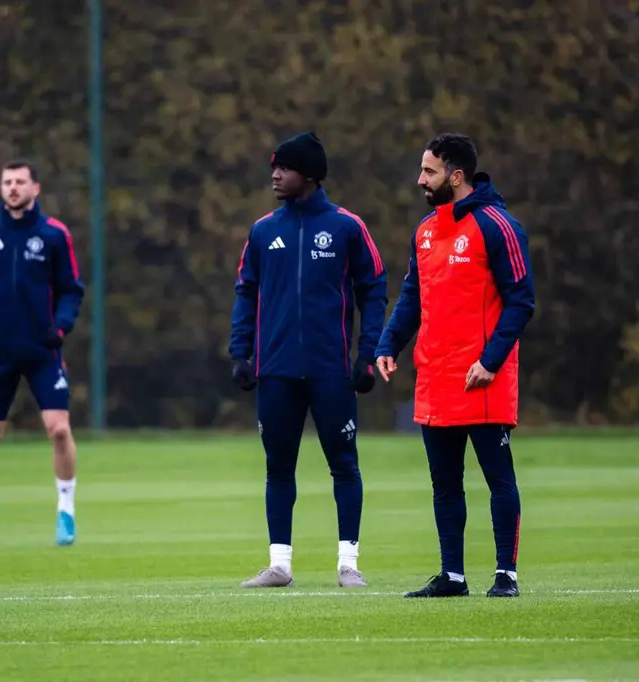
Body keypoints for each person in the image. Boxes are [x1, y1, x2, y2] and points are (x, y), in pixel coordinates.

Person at [374, 133, 535, 598]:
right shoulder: (425, 231)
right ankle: (453, 576)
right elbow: (412, 297)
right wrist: (390, 344)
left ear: (456, 176)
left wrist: (491, 360)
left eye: (429, 171)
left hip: (482, 377)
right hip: (437, 378)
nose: (420, 179)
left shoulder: (497, 225)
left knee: (498, 479)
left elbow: (521, 302)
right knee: (445, 485)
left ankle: (506, 575)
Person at [229, 131, 388, 588]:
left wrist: (368, 352)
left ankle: (349, 565)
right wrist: (241, 352)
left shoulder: (347, 227)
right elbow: (246, 293)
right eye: (273, 167)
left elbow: (374, 288)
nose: (275, 175)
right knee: (278, 467)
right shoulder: (263, 231)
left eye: (285, 168)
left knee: (344, 464)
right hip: (276, 371)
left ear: (311, 175)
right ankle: (279, 566)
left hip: (331, 370)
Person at [0, 159, 85, 548]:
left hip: (43, 349)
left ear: (35, 188)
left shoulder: (53, 235)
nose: (13, 188)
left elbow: (71, 288)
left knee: (58, 428)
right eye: (7, 182)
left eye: (20, 182)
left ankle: (66, 511)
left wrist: (60, 326)